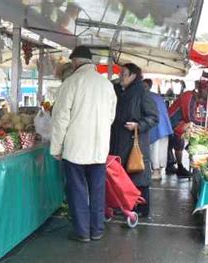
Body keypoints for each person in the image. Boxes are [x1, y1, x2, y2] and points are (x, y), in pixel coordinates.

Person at [51, 46, 117, 243]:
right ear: (91, 62)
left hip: (75, 147)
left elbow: (61, 118)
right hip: (99, 147)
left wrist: (56, 147)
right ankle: (97, 230)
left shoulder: (71, 83)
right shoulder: (107, 85)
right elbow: (111, 116)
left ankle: (82, 232)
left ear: (74, 62)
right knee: (97, 189)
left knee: (77, 190)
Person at [110, 63, 159, 218]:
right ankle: (125, 206)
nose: (120, 77)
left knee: (137, 173)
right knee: (122, 174)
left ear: (133, 76)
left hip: (134, 141)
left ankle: (141, 208)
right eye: (120, 74)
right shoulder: (118, 90)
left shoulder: (142, 92)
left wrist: (138, 125)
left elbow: (153, 117)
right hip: (118, 139)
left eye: (123, 74)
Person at [166, 83, 208, 178]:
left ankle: (170, 165)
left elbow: (207, 103)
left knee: (172, 144)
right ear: (200, 94)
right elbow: (191, 118)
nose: (202, 103)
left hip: (179, 122)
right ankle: (179, 167)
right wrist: (206, 120)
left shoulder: (194, 97)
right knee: (178, 143)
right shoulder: (188, 97)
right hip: (173, 122)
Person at [143, 79, 173, 180]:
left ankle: (156, 172)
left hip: (155, 127)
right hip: (165, 126)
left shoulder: (145, 96)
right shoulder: (157, 96)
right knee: (162, 149)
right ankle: (159, 171)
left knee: (155, 150)